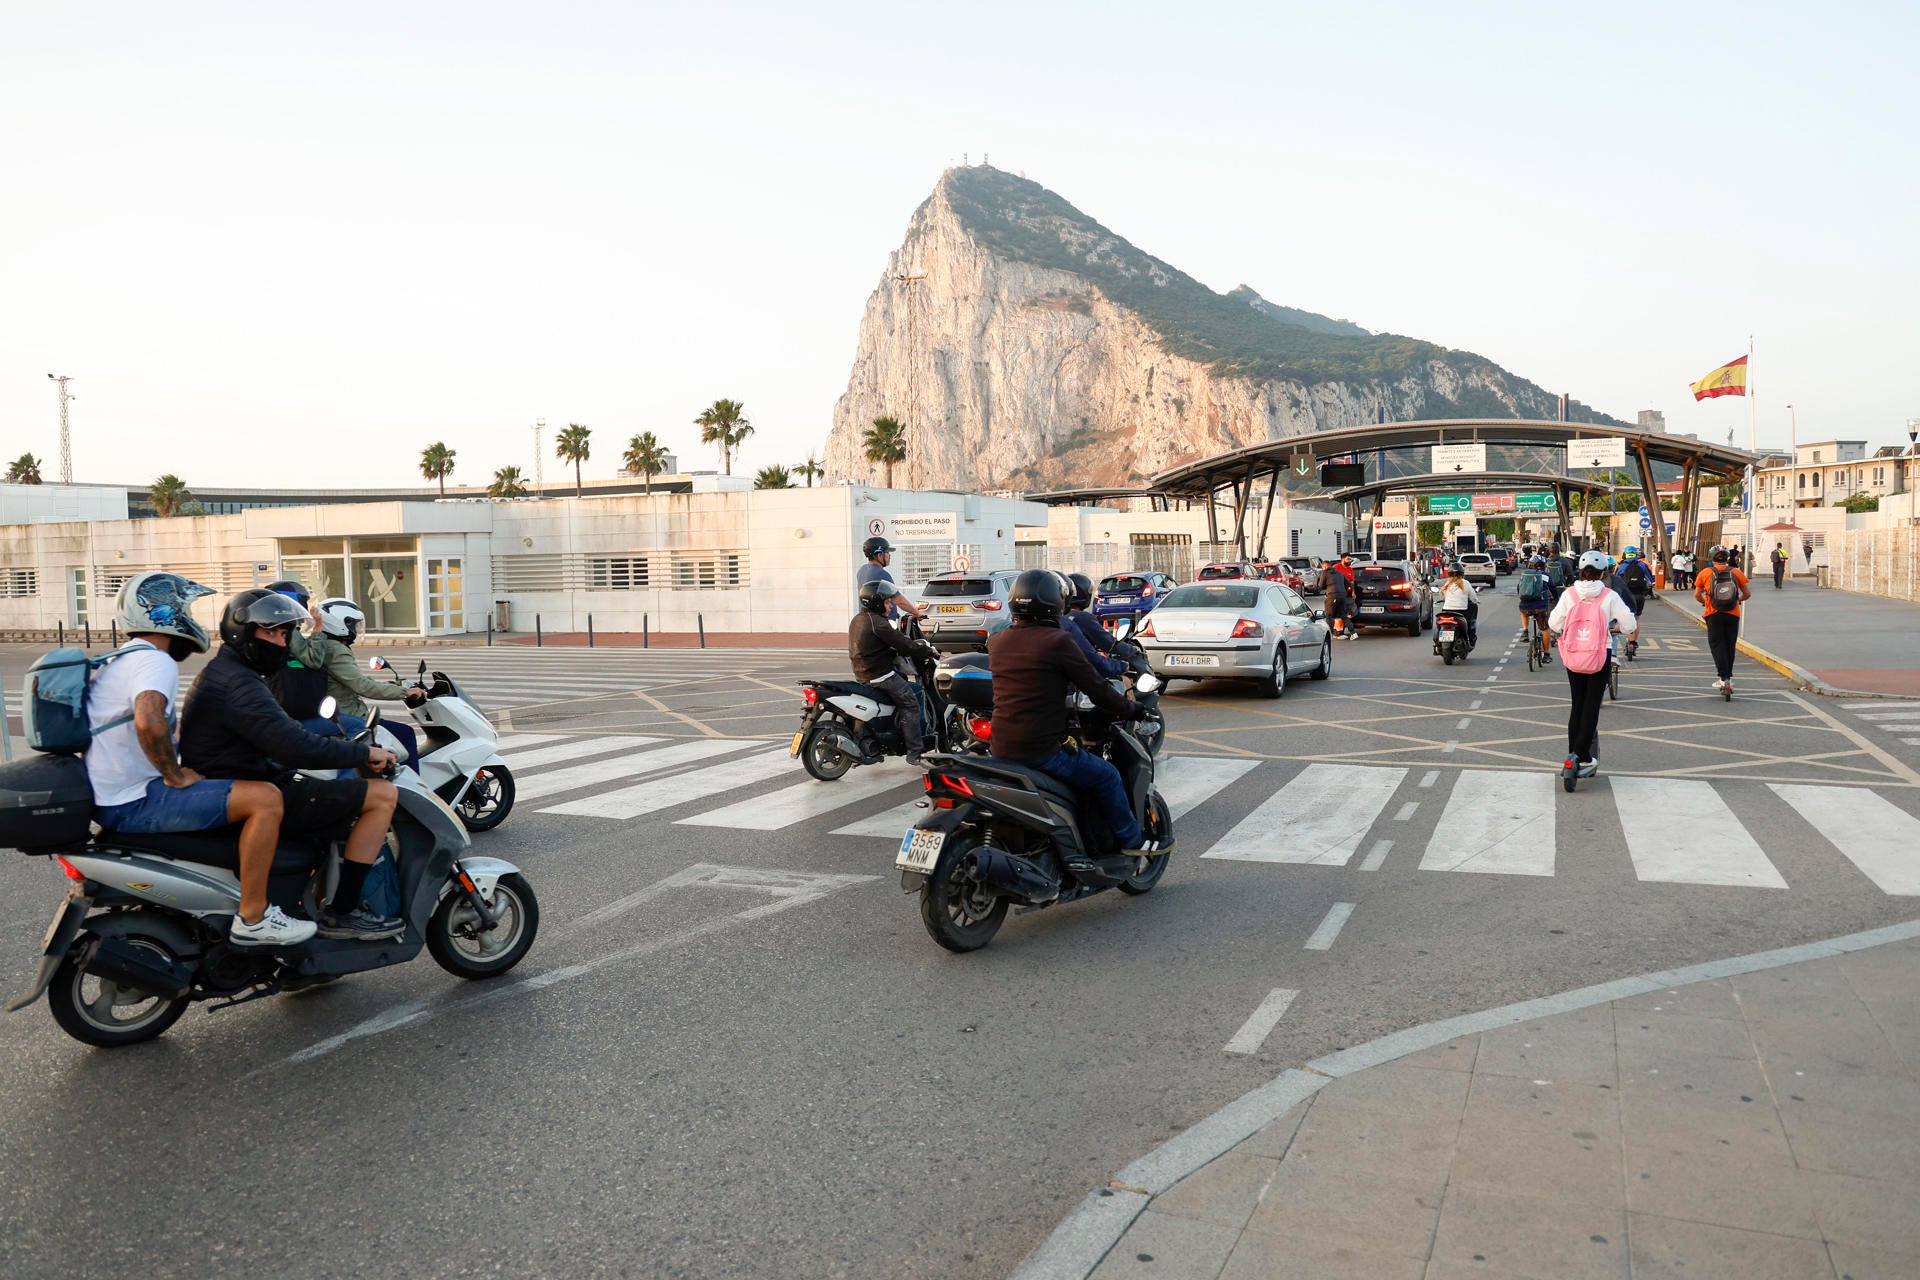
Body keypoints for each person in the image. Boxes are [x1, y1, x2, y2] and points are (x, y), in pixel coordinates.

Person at [85, 573, 315, 948]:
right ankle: (254, 917)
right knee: (265, 799)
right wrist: (174, 775)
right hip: (134, 800)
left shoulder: (121, 659)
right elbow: (148, 719)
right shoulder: (154, 661)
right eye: (186, 609)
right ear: (163, 612)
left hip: (113, 795)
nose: (190, 618)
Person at [179, 589, 403, 940]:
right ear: (243, 632)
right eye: (272, 633)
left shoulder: (230, 672)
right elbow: (294, 745)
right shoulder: (240, 684)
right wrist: (364, 754)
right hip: (247, 785)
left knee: (332, 798)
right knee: (381, 796)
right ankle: (343, 913)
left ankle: (309, 900)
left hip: (242, 777)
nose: (282, 643)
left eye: (285, 634)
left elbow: (280, 736)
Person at [988, 570, 1159, 859]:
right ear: (1054, 602)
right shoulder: (1057, 641)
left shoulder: (998, 641)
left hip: (1000, 746)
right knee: (1107, 775)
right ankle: (1132, 840)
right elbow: (1097, 688)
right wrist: (1133, 708)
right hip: (1042, 751)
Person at [300, 597, 427, 770]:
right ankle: (412, 784)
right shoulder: (335, 649)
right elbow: (362, 686)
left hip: (338, 713)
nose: (356, 629)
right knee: (405, 733)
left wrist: (394, 686)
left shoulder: (323, 645)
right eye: (353, 624)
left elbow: (354, 679)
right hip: (349, 716)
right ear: (339, 623)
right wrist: (404, 692)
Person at [1547, 549, 1640, 779]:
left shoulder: (1569, 594)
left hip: (1574, 656)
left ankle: (1572, 753)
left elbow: (1554, 623)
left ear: (1579, 571)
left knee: (1577, 705)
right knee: (1591, 707)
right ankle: (1581, 755)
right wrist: (1617, 628)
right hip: (1599, 655)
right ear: (1602, 573)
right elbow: (1629, 624)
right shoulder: (1609, 595)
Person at [848, 578, 936, 765]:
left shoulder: (858, 619)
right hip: (881, 675)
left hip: (863, 673)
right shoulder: (879, 623)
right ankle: (915, 752)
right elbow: (904, 644)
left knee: (908, 692)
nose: (890, 606)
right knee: (912, 702)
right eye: (887, 602)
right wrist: (927, 651)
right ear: (876, 602)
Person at [1693, 545, 1752, 694]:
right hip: (1733, 614)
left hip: (1713, 614)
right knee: (1729, 645)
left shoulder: (1705, 573)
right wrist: (1737, 601)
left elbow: (1697, 595)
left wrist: (1705, 602)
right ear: (1727, 558)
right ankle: (1729, 679)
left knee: (1717, 645)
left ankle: (1723, 678)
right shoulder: (1736, 572)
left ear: (1711, 558)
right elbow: (1747, 594)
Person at [1062, 572, 1131, 678]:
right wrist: (1124, 663)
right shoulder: (1082, 618)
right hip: (1077, 678)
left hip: (1058, 678)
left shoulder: (1056, 620)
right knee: (1121, 682)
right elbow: (1104, 644)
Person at [855, 536, 925, 623]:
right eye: (887, 552)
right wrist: (917, 613)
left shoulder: (862, 570)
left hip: (867, 621)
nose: (889, 555)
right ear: (880, 555)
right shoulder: (881, 574)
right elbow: (899, 600)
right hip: (883, 624)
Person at [1516, 555, 1555, 660]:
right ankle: (1546, 654)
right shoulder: (1546, 576)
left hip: (1525, 606)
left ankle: (1525, 631)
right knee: (1545, 628)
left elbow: (1519, 589)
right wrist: (1556, 599)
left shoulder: (1524, 574)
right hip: (1540, 607)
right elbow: (1553, 588)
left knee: (1523, 612)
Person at [1437, 561, 1479, 647]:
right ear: (1462, 573)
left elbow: (1443, 595)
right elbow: (1473, 597)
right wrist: (1475, 601)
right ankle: (1470, 641)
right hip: (1461, 613)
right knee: (1470, 624)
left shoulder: (1447, 584)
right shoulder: (1465, 583)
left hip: (1446, 612)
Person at [1320, 552, 1357, 640]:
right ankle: (1353, 633)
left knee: (1329, 616)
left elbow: (1320, 585)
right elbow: (1349, 583)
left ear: (1325, 567)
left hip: (1333, 595)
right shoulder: (1339, 571)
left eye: (1322, 568)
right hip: (1342, 595)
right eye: (1348, 559)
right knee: (1342, 615)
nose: (1350, 561)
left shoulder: (1325, 572)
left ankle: (1335, 634)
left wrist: (1328, 589)